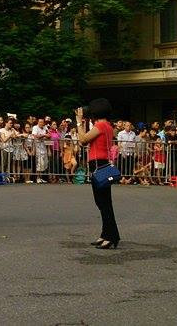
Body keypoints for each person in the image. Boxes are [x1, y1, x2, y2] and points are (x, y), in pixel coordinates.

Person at [77, 98, 120, 249]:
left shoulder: (100, 125)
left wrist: (78, 122)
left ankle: (112, 236)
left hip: (98, 164)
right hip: (102, 163)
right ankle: (106, 234)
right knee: (103, 202)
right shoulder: (107, 125)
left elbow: (82, 140)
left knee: (103, 203)